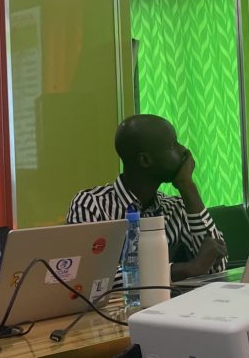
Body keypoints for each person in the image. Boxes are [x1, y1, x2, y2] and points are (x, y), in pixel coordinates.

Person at [67, 114, 227, 282]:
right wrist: (188, 268)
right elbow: (89, 274)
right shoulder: (91, 205)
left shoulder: (174, 207)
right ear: (145, 160)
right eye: (173, 145)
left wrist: (187, 185)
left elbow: (216, 266)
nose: (184, 150)